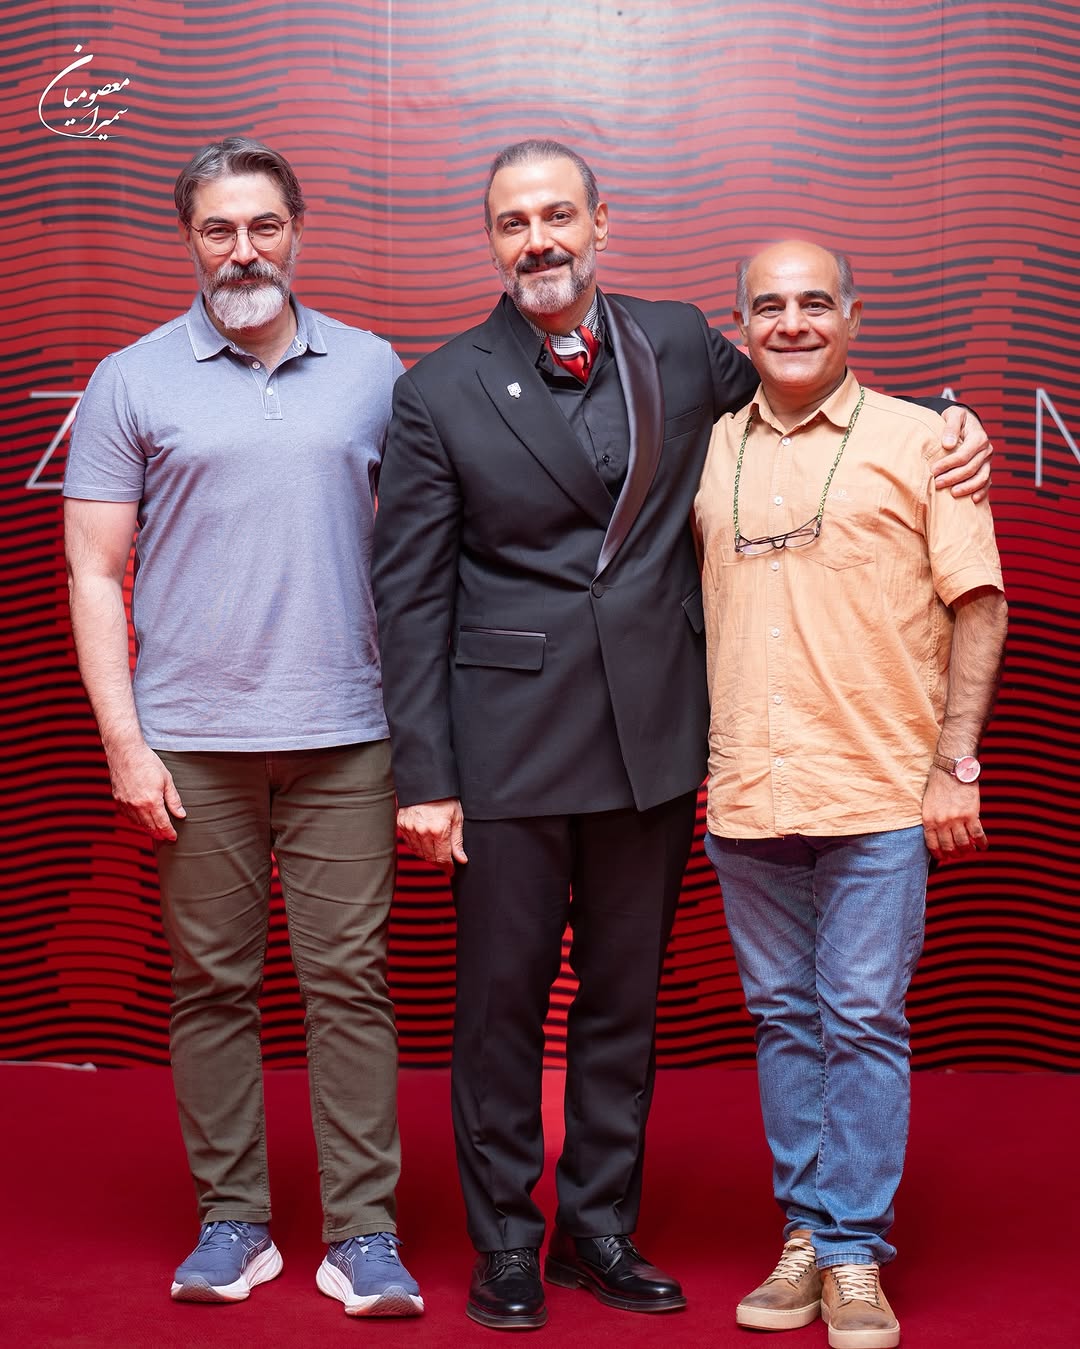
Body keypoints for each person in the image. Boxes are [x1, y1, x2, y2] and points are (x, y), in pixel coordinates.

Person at [371, 140, 992, 1330]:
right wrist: (427, 775)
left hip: (652, 741)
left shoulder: (676, 340)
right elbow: (408, 596)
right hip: (503, 750)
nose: (539, 240)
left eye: (559, 215)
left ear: (602, 221)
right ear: (491, 239)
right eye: (513, 222)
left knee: (623, 1004)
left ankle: (598, 1228)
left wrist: (945, 421)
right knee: (501, 1009)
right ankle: (506, 1239)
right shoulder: (439, 388)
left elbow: (803, 374)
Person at [63, 137, 423, 1318]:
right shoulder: (131, 378)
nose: (243, 250)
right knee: (213, 983)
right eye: (218, 229)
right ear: (190, 240)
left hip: (348, 731)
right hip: (190, 739)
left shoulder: (371, 368)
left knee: (349, 983)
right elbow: (93, 568)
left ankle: (363, 1233)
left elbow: (427, 553)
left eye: (264, 225)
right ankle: (235, 1221)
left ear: (296, 230)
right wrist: (125, 744)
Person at [694, 240, 1007, 1348]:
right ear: (740, 324)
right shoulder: (709, 445)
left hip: (879, 790)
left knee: (862, 1017)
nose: (793, 322)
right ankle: (808, 1232)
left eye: (815, 302)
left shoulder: (926, 441)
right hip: (748, 790)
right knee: (785, 1018)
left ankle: (852, 1249)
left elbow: (980, 603)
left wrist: (955, 763)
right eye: (769, 305)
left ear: (854, 317)